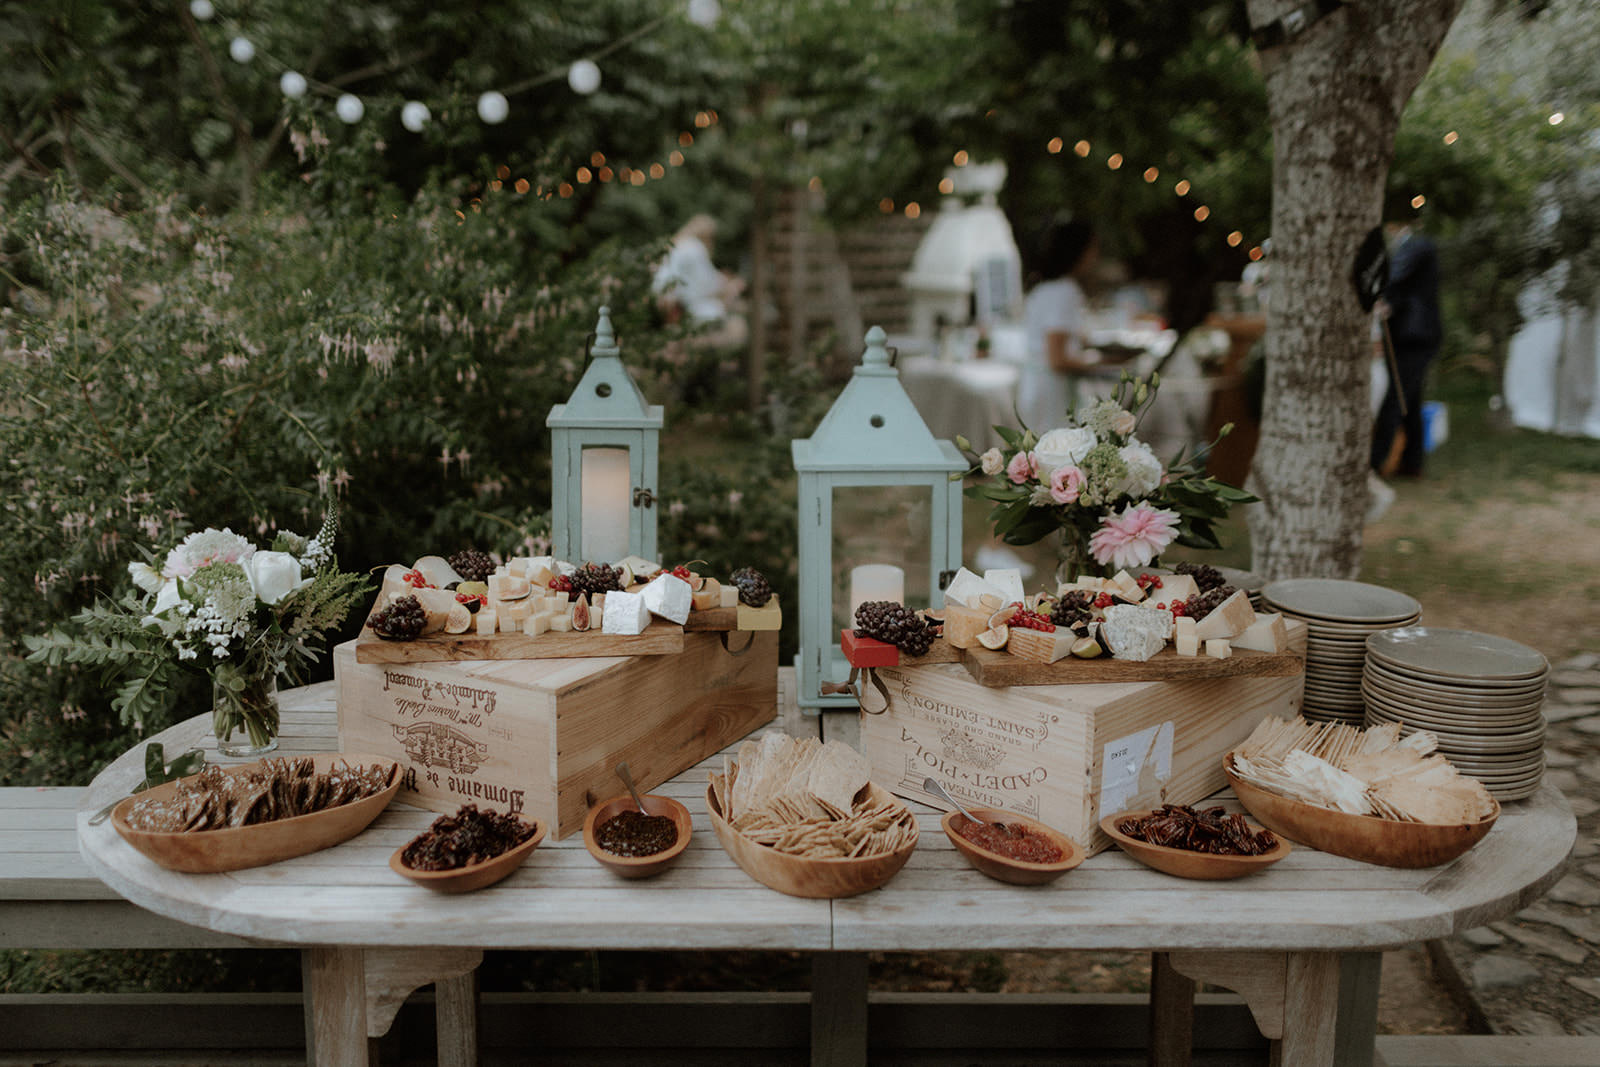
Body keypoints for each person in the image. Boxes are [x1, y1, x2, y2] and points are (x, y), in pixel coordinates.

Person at [1370, 210, 1441, 477]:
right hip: (1409, 334)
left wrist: (1374, 294)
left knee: (1394, 398)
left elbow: (1394, 277)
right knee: (1409, 401)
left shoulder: (1417, 245)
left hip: (1416, 336)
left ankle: (1375, 463)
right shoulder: (1406, 248)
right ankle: (1413, 463)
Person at [1019, 220, 1099, 430]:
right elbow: (1057, 359)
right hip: (1051, 392)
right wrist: (1101, 365)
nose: (1094, 256)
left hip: (1034, 386)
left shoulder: (1043, 287)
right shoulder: (1064, 291)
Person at [651, 214, 747, 348]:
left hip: (671, 307)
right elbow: (706, 283)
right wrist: (729, 284)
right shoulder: (695, 248)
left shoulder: (680, 245)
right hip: (688, 311)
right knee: (736, 327)